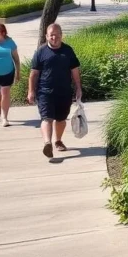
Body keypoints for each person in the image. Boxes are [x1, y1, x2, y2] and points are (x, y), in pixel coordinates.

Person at [28, 24, 83, 158]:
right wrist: (31, 91)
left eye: (57, 34)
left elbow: (75, 71)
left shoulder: (68, 51)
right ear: (47, 36)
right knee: (47, 118)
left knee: (61, 119)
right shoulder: (41, 52)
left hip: (64, 92)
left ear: (61, 35)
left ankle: (58, 141)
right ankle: (47, 143)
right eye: (51, 35)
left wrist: (78, 88)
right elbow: (34, 74)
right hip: (45, 92)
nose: (54, 37)